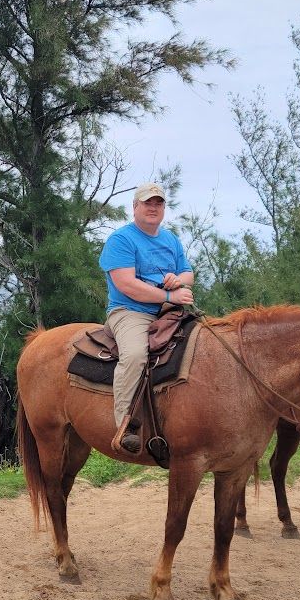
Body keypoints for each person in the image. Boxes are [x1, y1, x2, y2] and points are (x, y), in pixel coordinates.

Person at [99, 183, 195, 454]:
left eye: (158, 203)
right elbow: (126, 284)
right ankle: (125, 425)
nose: (153, 208)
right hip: (131, 312)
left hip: (170, 313)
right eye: (147, 203)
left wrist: (179, 279)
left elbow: (188, 274)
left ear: (164, 208)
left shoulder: (170, 239)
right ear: (135, 207)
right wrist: (169, 297)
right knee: (134, 356)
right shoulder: (121, 240)